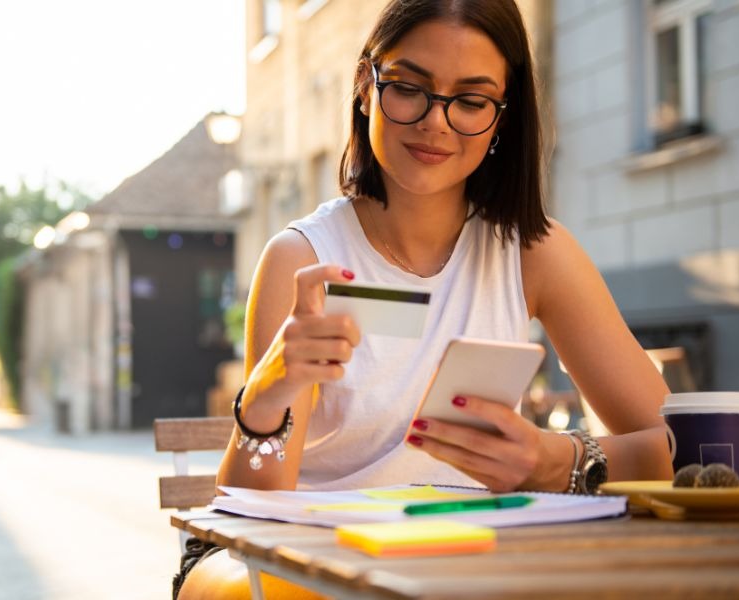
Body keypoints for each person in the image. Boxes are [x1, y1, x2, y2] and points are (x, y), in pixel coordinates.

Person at [176, 1, 673, 597]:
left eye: (470, 100)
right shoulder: (300, 258)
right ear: (366, 86)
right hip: (313, 565)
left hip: (461, 560)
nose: (436, 122)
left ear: (502, 119)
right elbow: (251, 514)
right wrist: (269, 390)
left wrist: (552, 461)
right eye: (410, 88)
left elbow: (682, 451)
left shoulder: (533, 252)